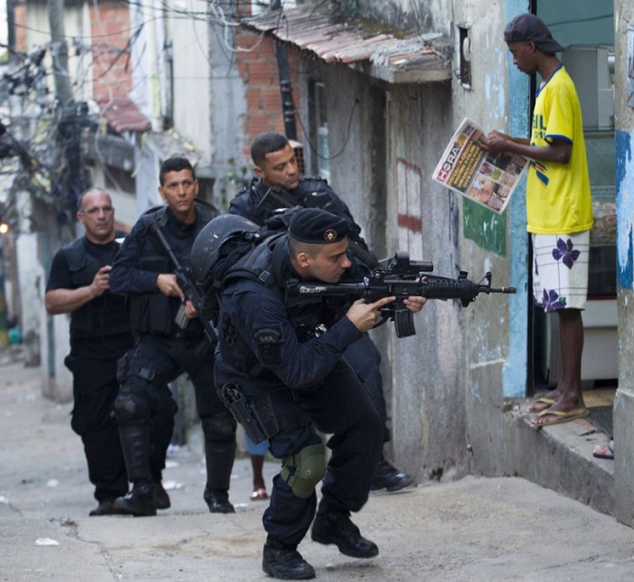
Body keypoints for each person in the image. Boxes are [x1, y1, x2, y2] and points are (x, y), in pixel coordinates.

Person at [207, 208, 427, 579]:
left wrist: (399, 301)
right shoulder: (253, 293)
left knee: (365, 426)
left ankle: (333, 519)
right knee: (306, 459)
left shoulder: (337, 264)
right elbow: (296, 372)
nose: (347, 262)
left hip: (309, 350)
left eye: (345, 253)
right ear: (304, 260)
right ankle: (279, 548)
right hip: (255, 376)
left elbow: (365, 291)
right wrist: (349, 327)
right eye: (336, 258)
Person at [229, 131, 414, 492]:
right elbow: (243, 266)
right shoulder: (246, 208)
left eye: (292, 161)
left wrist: (385, 287)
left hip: (332, 306)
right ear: (260, 171)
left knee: (366, 364)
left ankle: (373, 461)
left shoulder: (319, 193)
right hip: (282, 315)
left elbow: (354, 245)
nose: (290, 170)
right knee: (291, 380)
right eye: (279, 166)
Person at [479, 13, 593, 428]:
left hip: (564, 213)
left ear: (531, 46)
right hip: (548, 213)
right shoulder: (548, 87)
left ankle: (573, 396)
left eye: (515, 53)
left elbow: (561, 152)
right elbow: (545, 143)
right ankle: (564, 389)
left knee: (567, 308)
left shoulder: (558, 87)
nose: (514, 61)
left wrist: (511, 146)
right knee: (557, 305)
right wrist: (507, 142)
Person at [109, 157, 237, 516]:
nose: (181, 192)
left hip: (205, 339)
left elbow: (238, 279)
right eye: (173, 186)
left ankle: (218, 495)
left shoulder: (216, 227)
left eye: (186, 184)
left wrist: (207, 303)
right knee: (130, 402)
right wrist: (156, 281)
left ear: (196, 186)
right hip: (160, 340)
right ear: (162, 191)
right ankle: (143, 491)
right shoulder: (149, 227)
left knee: (220, 418)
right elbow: (118, 278)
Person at [44, 188, 131, 516]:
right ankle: (109, 495)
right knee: (94, 425)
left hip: (131, 349)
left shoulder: (130, 247)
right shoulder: (68, 256)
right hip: (90, 355)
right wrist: (92, 290)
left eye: (106, 209)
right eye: (94, 211)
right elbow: (52, 302)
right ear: (82, 217)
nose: (102, 215)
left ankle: (145, 487)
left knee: (149, 412)